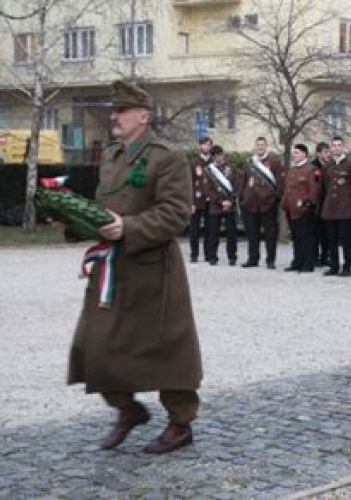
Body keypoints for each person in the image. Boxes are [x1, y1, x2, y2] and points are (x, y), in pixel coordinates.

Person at [66, 80, 202, 454]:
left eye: (122, 110)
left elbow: (176, 215)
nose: (114, 116)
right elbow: (101, 210)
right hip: (112, 267)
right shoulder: (110, 155)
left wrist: (129, 227)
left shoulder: (167, 156)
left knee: (166, 349)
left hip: (153, 269)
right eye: (114, 110)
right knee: (96, 343)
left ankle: (180, 423)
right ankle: (127, 408)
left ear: (143, 116)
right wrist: (70, 219)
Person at [239, 136, 285, 269]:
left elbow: (280, 184)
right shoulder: (249, 162)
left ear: (266, 146)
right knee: (252, 234)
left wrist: (274, 198)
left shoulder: (274, 162)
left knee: (270, 234)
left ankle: (270, 260)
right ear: (255, 146)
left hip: (268, 204)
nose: (260, 147)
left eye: (262, 145)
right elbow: (242, 182)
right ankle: (253, 259)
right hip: (250, 204)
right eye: (258, 145)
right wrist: (242, 198)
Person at [320, 136, 351, 277]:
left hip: (345, 208)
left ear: (343, 147)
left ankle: (347, 266)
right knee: (331, 239)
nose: (336, 148)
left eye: (339, 145)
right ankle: (334, 266)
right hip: (330, 207)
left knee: (346, 239)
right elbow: (325, 186)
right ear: (331, 148)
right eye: (334, 145)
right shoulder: (327, 166)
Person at [282, 143, 320, 273]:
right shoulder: (292, 170)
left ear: (304, 154)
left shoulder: (312, 169)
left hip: (305, 209)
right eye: (293, 153)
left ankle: (308, 263)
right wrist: (285, 203)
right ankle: (297, 261)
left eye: (297, 152)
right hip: (291, 209)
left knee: (307, 237)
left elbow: (314, 190)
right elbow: (287, 189)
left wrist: (308, 204)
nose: (294, 155)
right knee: (296, 237)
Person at [203, 145, 238, 266]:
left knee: (231, 233)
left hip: (230, 205)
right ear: (213, 157)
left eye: (221, 155)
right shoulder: (209, 170)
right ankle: (213, 257)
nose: (219, 157)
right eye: (217, 155)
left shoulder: (230, 168)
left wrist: (230, 201)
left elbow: (236, 185)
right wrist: (220, 201)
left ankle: (232, 257)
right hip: (215, 206)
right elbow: (208, 190)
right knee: (214, 233)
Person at [189, 136, 212, 262]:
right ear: (200, 146)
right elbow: (190, 182)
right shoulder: (194, 162)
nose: (206, 147)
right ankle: (194, 254)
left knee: (209, 228)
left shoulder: (213, 162)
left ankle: (208, 254)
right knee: (194, 229)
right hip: (196, 200)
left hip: (210, 200)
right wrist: (191, 202)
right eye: (204, 144)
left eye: (208, 145)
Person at [312, 142, 331, 267]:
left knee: (327, 233)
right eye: (325, 152)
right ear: (318, 153)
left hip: (327, 203)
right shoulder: (313, 166)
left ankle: (326, 256)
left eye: (328, 152)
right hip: (317, 204)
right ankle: (315, 257)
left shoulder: (330, 165)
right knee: (316, 232)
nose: (327, 154)